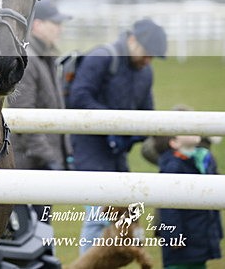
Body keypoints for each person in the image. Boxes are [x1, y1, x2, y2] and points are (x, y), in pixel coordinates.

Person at [67, 17, 167, 253]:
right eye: (147, 52)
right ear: (132, 40)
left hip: (117, 154)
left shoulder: (145, 72)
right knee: (98, 218)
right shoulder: (101, 57)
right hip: (88, 150)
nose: (148, 60)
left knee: (121, 217)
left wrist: (134, 134)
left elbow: (146, 112)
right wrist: (113, 124)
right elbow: (79, 97)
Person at [11, 0, 73, 220]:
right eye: (55, 24)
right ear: (37, 25)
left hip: (40, 162)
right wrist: (50, 159)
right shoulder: (29, 60)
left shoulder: (45, 58)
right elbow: (23, 115)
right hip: (30, 166)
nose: (60, 29)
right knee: (32, 230)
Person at [158, 133, 223, 268]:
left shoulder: (204, 159)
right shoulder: (173, 166)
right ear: (174, 142)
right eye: (185, 131)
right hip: (182, 241)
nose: (192, 131)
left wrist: (216, 232)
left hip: (201, 236)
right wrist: (173, 235)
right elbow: (168, 206)